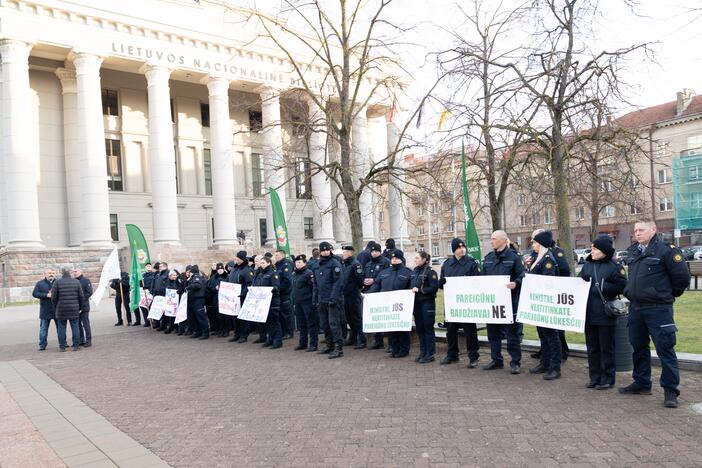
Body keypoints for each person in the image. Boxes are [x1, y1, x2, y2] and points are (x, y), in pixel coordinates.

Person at [619, 221, 690, 408]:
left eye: (641, 230)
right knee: (638, 346)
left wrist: (665, 295)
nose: (637, 233)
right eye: (635, 230)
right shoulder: (634, 251)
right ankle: (642, 383)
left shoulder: (666, 250)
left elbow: (682, 278)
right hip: (636, 308)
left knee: (665, 349)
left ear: (653, 230)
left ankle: (670, 390)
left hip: (658, 309)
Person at [578, 235, 627, 390]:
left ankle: (607, 378)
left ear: (604, 250)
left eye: (595, 248)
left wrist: (603, 287)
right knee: (592, 348)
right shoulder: (588, 265)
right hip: (589, 313)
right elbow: (579, 282)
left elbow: (622, 286)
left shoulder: (615, 266)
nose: (591, 250)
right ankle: (595, 377)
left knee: (606, 348)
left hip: (605, 314)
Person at [481, 230, 525, 374]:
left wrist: (516, 283)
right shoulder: (488, 258)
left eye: (494, 239)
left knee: (512, 335)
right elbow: (482, 277)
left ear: (502, 240)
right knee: (493, 333)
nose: (491, 241)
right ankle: (496, 360)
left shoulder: (514, 257)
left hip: (509, 302)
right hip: (492, 302)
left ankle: (515, 362)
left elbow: (522, 276)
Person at [439, 238, 481, 368]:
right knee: (451, 330)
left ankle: (473, 356)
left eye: (463, 247)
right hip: (452, 303)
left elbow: (478, 282)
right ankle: (452, 354)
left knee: (470, 331)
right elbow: (441, 283)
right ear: (454, 250)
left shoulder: (471, 263)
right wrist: (442, 283)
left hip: (466, 303)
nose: (462, 249)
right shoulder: (447, 264)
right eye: (458, 247)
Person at [527, 230, 561, 380]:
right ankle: (544, 362)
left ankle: (555, 367)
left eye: (534, 242)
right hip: (538, 303)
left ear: (541, 244)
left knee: (552, 336)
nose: (533, 245)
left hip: (546, 303)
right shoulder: (537, 258)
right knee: (543, 335)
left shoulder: (548, 260)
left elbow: (548, 281)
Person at [370, 249, 413, 358]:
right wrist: (367, 294)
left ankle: (404, 349)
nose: (394, 260)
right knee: (391, 328)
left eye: (397, 258)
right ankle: (394, 349)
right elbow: (376, 285)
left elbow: (410, 288)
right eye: (392, 258)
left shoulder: (407, 272)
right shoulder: (384, 272)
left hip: (401, 306)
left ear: (401, 259)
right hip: (387, 305)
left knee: (402, 329)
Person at [313, 241, 345, 359]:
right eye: (324, 250)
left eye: (328, 250)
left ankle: (338, 347)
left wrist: (333, 298)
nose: (326, 252)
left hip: (333, 299)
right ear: (320, 251)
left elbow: (338, 283)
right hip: (322, 300)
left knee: (334, 324)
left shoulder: (335, 263)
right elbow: (315, 284)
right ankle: (329, 345)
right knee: (325, 324)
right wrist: (315, 299)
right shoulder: (317, 265)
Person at [410, 252, 439, 363]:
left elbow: (434, 288)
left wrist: (420, 290)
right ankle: (423, 352)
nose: (415, 260)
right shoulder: (414, 271)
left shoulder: (431, 272)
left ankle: (430, 353)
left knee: (428, 327)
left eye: (417, 258)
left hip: (427, 303)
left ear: (424, 259)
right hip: (416, 304)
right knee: (420, 328)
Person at [362, 242, 390, 350]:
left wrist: (374, 280)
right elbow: (364, 275)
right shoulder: (368, 264)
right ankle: (378, 340)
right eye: (372, 251)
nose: (374, 253)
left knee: (383, 316)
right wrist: (364, 281)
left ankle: (387, 340)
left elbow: (386, 275)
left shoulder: (386, 262)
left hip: (381, 292)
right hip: (370, 292)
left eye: (376, 251)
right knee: (375, 317)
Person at [51, 267, 85, 351]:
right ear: (69, 273)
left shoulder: (57, 282)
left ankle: (62, 346)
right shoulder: (76, 282)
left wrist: (56, 306)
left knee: (61, 328)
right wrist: (80, 307)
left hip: (61, 308)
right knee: (75, 327)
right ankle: (76, 346)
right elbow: (81, 296)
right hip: (74, 308)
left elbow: (53, 297)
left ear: (61, 273)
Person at [341, 245, 365, 349]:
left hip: (353, 294)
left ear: (351, 253)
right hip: (345, 295)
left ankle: (362, 340)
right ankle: (353, 338)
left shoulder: (356, 264)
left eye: (345, 252)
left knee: (357, 317)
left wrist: (355, 289)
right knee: (349, 317)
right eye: (343, 252)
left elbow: (360, 279)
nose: (343, 254)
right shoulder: (344, 264)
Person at [256, 256, 283, 349]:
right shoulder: (260, 274)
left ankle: (277, 341)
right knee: (267, 322)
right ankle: (270, 339)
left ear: (268, 263)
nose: (261, 264)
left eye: (263, 263)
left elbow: (276, 287)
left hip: (272, 301)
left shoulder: (272, 274)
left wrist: (268, 290)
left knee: (274, 321)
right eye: (261, 263)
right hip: (263, 302)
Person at [292, 254, 318, 351]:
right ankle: (303, 343)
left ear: (304, 263)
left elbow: (314, 288)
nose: (297, 264)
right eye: (296, 262)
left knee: (311, 323)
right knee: (301, 324)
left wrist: (314, 301)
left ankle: (313, 344)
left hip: (308, 301)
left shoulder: (308, 273)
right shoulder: (294, 274)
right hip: (298, 302)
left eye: (299, 262)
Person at [227, 251, 254, 343]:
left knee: (242, 317)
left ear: (241, 259)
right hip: (233, 296)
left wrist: (243, 293)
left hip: (241, 296)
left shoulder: (246, 270)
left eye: (237, 258)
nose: (235, 259)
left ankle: (244, 335)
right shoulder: (235, 269)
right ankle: (237, 333)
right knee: (235, 316)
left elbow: (249, 284)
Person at [33, 269, 56, 351]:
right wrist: (46, 295)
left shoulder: (58, 282)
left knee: (60, 328)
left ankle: (63, 343)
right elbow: (35, 294)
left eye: (53, 273)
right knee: (43, 329)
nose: (51, 274)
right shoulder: (40, 283)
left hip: (57, 309)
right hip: (45, 310)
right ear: (45, 274)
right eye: (49, 273)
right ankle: (42, 345)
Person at [274, 250, 295, 340]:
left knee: (286, 314)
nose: (275, 257)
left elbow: (287, 280)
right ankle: (283, 331)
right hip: (279, 293)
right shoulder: (278, 265)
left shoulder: (286, 265)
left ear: (282, 255)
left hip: (284, 293)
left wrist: (279, 288)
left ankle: (289, 332)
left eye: (277, 255)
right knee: (281, 314)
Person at [185, 265, 209, 339]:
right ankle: (198, 331)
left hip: (198, 299)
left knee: (200, 317)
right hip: (194, 299)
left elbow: (197, 285)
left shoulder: (196, 277)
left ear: (192, 272)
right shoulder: (193, 278)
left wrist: (189, 286)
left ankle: (205, 333)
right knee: (195, 317)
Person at [73, 267, 93, 347]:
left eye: (76, 271)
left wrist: (81, 300)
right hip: (75, 307)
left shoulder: (86, 281)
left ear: (80, 271)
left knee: (85, 324)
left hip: (84, 306)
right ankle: (81, 340)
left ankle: (88, 341)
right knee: (78, 324)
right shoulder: (73, 281)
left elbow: (89, 293)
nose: (74, 273)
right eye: (73, 272)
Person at [206, 263, 226, 336]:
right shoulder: (213, 277)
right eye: (218, 269)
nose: (220, 270)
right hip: (215, 298)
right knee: (217, 315)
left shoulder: (227, 276)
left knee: (224, 316)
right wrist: (215, 288)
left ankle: (225, 330)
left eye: (221, 269)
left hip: (224, 299)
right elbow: (209, 287)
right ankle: (219, 330)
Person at [163, 269, 184, 334]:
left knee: (176, 314)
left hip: (177, 301)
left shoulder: (178, 281)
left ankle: (177, 328)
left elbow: (180, 289)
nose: (174, 276)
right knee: (171, 315)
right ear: (169, 276)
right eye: (173, 275)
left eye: (175, 275)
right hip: (170, 301)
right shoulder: (167, 282)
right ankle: (172, 327)